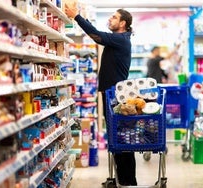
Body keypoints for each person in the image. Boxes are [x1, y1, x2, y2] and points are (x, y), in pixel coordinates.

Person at [65, 4, 137, 186]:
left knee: (121, 141)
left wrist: (77, 17)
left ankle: (128, 181)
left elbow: (96, 36)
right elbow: (99, 34)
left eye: (113, 17)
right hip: (112, 95)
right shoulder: (119, 38)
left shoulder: (120, 39)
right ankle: (124, 180)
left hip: (115, 98)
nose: (110, 19)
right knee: (118, 141)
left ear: (123, 23)